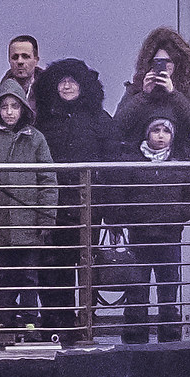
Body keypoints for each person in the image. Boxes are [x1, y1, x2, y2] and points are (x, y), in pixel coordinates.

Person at [33, 57, 124, 338]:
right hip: (53, 207)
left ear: (84, 85)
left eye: (73, 81)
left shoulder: (99, 119)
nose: (68, 86)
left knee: (86, 265)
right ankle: (54, 323)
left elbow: (112, 164)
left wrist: (111, 210)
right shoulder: (43, 120)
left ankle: (85, 322)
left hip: (89, 207)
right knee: (52, 267)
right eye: (62, 81)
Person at [111, 114, 190, 343]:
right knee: (137, 286)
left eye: (166, 131)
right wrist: (130, 219)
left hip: (169, 235)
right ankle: (134, 331)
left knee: (169, 286)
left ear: (172, 135)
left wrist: (177, 216)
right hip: (139, 235)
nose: (160, 136)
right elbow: (120, 195)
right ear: (147, 133)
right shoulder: (131, 162)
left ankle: (169, 331)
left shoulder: (182, 163)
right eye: (156, 130)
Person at [0, 81, 53, 338]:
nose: (9, 112)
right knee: (1, 278)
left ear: (23, 109)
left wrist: (46, 219)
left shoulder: (36, 138)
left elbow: (48, 181)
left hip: (29, 224)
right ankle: (4, 323)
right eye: (4, 106)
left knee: (29, 277)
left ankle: (30, 324)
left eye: (14, 106)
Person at [111, 26, 190, 155]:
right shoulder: (135, 90)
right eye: (158, 62)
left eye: (168, 61)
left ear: (177, 63)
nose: (164, 66)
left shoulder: (187, 92)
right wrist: (144, 95)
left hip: (177, 164)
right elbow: (118, 125)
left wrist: (173, 94)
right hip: (139, 164)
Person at [2, 35, 42, 104]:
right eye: (15, 57)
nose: (20, 61)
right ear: (9, 60)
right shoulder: (0, 93)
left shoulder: (50, 91)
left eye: (25, 56)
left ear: (36, 60)